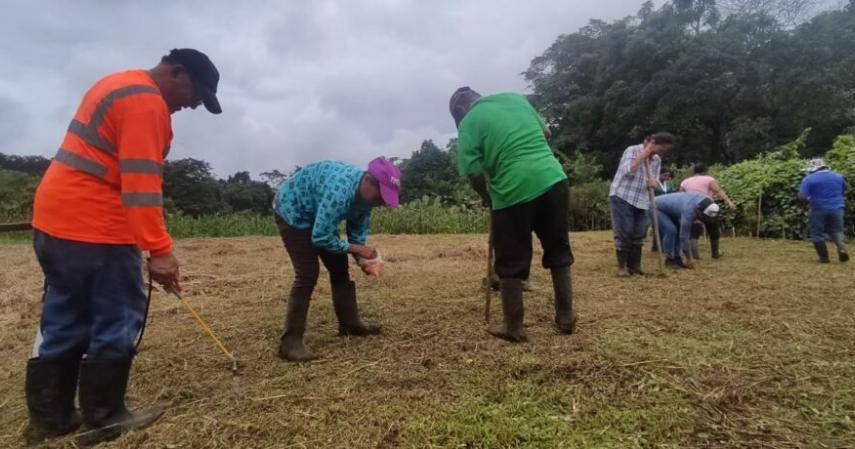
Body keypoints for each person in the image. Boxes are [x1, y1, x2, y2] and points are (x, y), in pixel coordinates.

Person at [26, 49, 222, 445]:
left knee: (65, 315)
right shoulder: (146, 104)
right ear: (176, 71)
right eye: (195, 93)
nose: (193, 104)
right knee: (117, 316)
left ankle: (51, 418)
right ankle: (105, 418)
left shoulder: (117, 83)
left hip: (55, 222)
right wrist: (160, 250)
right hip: (96, 227)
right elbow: (141, 185)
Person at [450, 86, 575, 343]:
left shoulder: (469, 122)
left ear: (461, 111)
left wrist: (489, 199)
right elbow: (545, 133)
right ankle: (565, 316)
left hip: (512, 189)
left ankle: (513, 326)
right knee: (558, 251)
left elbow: (473, 174)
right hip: (554, 179)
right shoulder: (516, 99)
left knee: (510, 260)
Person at [273, 157, 401, 362]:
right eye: (380, 197)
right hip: (293, 211)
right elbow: (321, 237)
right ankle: (290, 343)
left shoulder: (365, 199)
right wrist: (359, 249)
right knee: (307, 274)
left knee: (339, 267)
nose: (381, 203)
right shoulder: (340, 191)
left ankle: (349, 325)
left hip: (318, 213)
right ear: (368, 180)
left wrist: (362, 260)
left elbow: (357, 232)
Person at [609, 133, 676, 276]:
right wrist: (643, 155)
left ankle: (635, 267)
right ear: (652, 142)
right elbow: (627, 171)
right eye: (660, 149)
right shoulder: (632, 150)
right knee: (625, 232)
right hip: (623, 196)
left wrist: (654, 183)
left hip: (643, 200)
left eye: (663, 151)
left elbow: (656, 180)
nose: (660, 153)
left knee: (639, 234)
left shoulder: (656, 160)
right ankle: (622, 268)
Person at [680, 164, 735, 259]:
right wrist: (729, 202)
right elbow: (719, 190)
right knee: (713, 228)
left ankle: (694, 252)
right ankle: (715, 253)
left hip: (690, 206)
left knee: (694, 228)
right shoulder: (708, 179)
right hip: (706, 204)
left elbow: (680, 195)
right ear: (705, 171)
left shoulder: (685, 181)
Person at [799, 158, 849, 263]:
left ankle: (824, 258)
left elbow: (802, 196)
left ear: (813, 169)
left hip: (818, 208)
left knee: (816, 233)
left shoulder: (809, 179)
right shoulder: (838, 176)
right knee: (837, 230)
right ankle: (841, 249)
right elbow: (845, 190)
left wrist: (809, 201)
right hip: (838, 207)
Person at [653, 192, 720, 268]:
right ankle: (670, 260)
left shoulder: (707, 203)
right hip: (656, 207)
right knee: (671, 231)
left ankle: (677, 258)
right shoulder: (689, 210)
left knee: (678, 230)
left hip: (671, 209)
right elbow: (684, 237)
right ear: (699, 211)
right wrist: (689, 258)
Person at [651, 169, 676, 252]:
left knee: (665, 225)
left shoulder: (669, 183)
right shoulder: (654, 183)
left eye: (668, 175)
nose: (667, 177)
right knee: (657, 226)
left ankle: (663, 245)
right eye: (665, 175)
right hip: (656, 206)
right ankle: (656, 245)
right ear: (659, 175)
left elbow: (672, 193)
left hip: (666, 206)